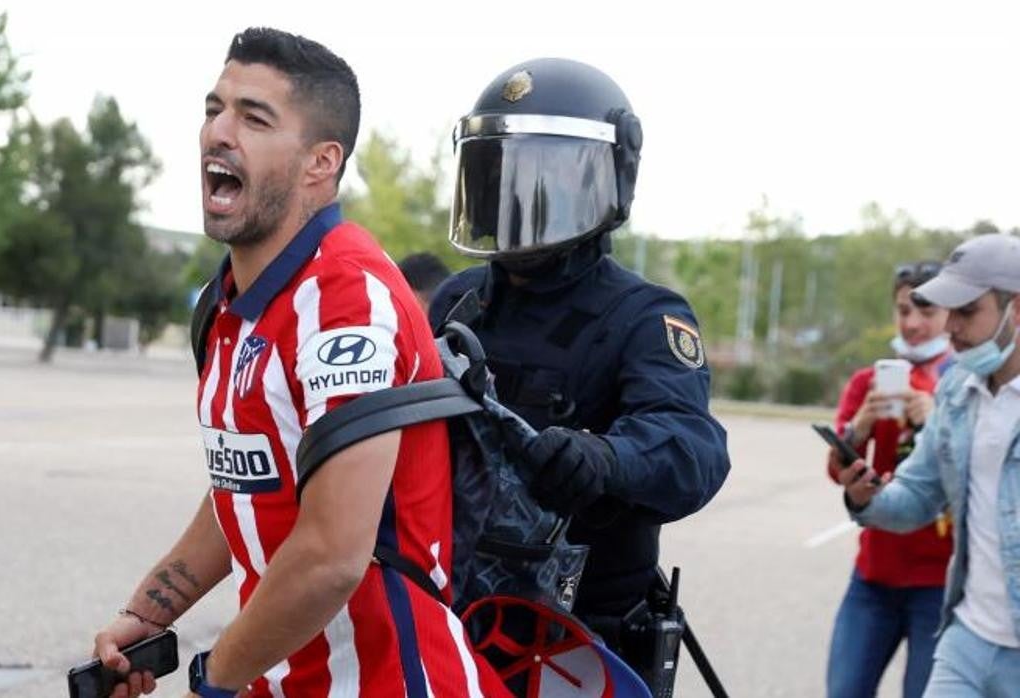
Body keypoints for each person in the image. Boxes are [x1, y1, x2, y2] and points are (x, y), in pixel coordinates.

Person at [90, 28, 505, 698]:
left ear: (320, 163)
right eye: (213, 109)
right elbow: (249, 482)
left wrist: (213, 679)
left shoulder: (347, 298)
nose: (218, 132)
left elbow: (331, 555)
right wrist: (149, 611)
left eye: (254, 118)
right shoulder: (229, 304)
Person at [429, 58, 731, 678]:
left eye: (543, 179)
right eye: (499, 174)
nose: (517, 199)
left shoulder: (644, 317)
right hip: (451, 622)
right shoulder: (457, 303)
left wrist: (606, 458)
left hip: (577, 650)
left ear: (609, 181)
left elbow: (695, 449)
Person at [838, 233, 1020, 696]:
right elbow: (918, 495)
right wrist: (868, 498)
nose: (950, 327)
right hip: (967, 636)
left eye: (966, 311)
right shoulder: (957, 391)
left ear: (1016, 310)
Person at [825, 261, 953, 698]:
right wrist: (858, 427)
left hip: (939, 585)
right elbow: (836, 471)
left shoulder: (962, 384)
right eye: (903, 311)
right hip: (873, 576)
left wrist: (934, 418)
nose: (913, 323)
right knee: (844, 691)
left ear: (950, 314)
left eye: (927, 311)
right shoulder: (869, 381)